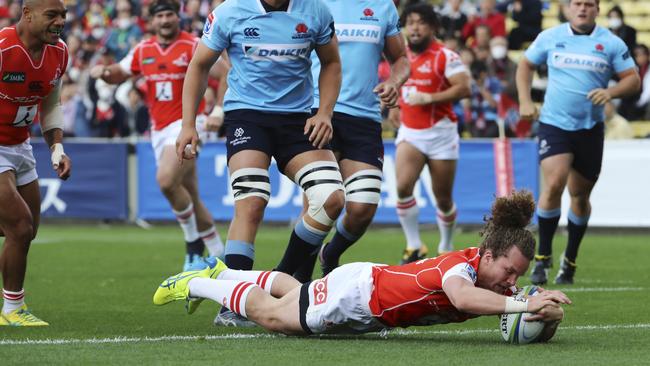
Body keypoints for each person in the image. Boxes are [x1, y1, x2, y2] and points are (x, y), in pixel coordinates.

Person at [153, 190, 571, 339]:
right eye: (509, 271)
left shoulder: (492, 282)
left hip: (364, 293)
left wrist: (544, 310)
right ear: (486, 256)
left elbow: (521, 310)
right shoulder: (458, 271)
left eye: (518, 275)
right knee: (274, 316)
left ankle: (220, 272)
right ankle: (191, 283)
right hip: (355, 297)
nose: (513, 281)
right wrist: (523, 305)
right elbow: (462, 296)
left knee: (290, 295)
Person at [176, 0, 343, 326]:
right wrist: (187, 125)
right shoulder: (229, 12)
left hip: (298, 119)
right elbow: (199, 65)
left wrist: (324, 112)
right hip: (247, 117)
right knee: (251, 201)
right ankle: (233, 303)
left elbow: (332, 63)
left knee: (331, 198)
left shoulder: (316, 11)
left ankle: (279, 279)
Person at [279, 0, 411, 282]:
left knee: (362, 208)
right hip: (317, 109)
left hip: (364, 119)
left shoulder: (383, 6)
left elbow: (400, 58)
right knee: (320, 203)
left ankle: (331, 254)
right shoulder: (313, 3)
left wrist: (394, 83)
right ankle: (298, 287)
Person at [90, 0, 225, 271]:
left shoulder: (194, 45)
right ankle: (223, 258)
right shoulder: (144, 50)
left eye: (169, 15)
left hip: (189, 124)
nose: (165, 20)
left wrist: (218, 110)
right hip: (159, 130)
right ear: (152, 21)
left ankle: (192, 249)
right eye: (160, 16)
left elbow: (226, 73)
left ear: (179, 18)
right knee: (191, 195)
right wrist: (104, 73)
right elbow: (120, 72)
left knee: (165, 181)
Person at [516, 0, 640, 285]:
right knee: (555, 182)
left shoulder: (610, 43)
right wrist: (524, 100)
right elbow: (525, 65)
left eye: (588, 4)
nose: (582, 8)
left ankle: (569, 261)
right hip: (554, 124)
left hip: (590, 129)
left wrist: (611, 92)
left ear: (597, 9)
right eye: (577, 4)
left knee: (580, 196)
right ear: (567, 8)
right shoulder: (550, 37)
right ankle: (542, 259)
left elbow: (632, 81)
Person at [0, 0, 72, 326]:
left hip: (21, 147)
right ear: (27, 15)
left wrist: (57, 147)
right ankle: (13, 308)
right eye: (52, 15)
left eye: (63, 16)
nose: (60, 22)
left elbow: (51, 104)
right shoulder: (3, 49)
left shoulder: (60, 53)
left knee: (28, 231)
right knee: (19, 226)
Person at [388, 4, 471, 263]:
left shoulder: (446, 56)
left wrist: (429, 97)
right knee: (402, 187)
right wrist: (393, 105)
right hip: (410, 132)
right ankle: (414, 246)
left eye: (421, 22)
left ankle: (446, 245)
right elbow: (393, 85)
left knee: (443, 198)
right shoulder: (398, 56)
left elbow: (464, 88)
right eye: (410, 22)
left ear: (433, 27)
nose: (414, 27)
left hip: (441, 133)